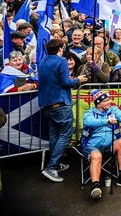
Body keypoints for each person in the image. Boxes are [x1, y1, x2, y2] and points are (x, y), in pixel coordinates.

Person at [38, 38, 88, 183]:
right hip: (60, 103)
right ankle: (51, 166)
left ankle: (56, 163)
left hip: (46, 104)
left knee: (54, 134)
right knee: (66, 134)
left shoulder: (42, 61)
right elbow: (66, 82)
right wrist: (78, 79)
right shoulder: (61, 61)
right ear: (60, 49)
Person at [82, 89, 121, 198]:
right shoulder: (89, 113)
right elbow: (89, 122)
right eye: (105, 101)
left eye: (109, 100)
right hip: (92, 146)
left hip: (111, 144)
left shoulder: (113, 110)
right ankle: (95, 186)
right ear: (98, 103)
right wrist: (106, 121)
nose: (109, 102)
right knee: (96, 155)